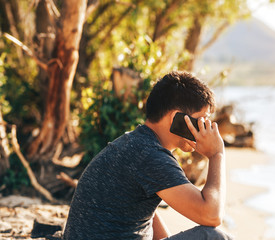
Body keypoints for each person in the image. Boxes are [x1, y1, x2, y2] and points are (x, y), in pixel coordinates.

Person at [63, 71, 232, 240]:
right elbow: (211, 215)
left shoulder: (136, 143)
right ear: (176, 118)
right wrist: (216, 154)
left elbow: (144, 215)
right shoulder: (149, 154)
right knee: (213, 236)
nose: (206, 128)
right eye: (202, 121)